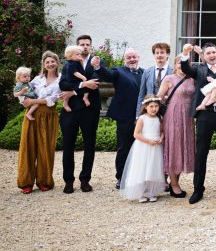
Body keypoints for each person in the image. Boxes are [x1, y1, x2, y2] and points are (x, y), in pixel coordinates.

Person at [180, 42, 216, 204]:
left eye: (213, 52)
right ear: (203, 55)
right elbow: (185, 69)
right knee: (201, 152)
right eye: (208, 53)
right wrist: (184, 54)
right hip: (204, 116)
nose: (211, 55)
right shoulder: (199, 70)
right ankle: (198, 189)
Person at [92, 49, 144, 189]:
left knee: (142, 148)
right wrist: (98, 67)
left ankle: (139, 176)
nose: (132, 59)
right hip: (125, 116)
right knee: (124, 148)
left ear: (138, 57)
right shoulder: (118, 71)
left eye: (134, 56)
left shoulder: (145, 73)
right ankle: (121, 177)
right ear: (124, 59)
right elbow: (107, 75)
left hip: (143, 117)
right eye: (128, 57)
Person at [59, 34, 101, 194]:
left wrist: (73, 89)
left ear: (91, 46)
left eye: (87, 44)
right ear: (77, 47)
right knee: (68, 145)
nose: (84, 47)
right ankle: (68, 181)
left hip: (90, 111)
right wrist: (82, 85)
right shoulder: (69, 64)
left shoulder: (96, 63)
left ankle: (85, 180)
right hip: (70, 111)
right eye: (81, 44)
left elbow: (95, 84)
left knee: (89, 145)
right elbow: (63, 84)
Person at [17, 52, 62, 194]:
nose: (50, 64)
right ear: (44, 64)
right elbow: (25, 92)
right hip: (32, 115)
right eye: (47, 62)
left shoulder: (61, 80)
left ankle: (44, 181)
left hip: (49, 116)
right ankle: (26, 182)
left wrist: (33, 101)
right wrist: (24, 101)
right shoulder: (36, 79)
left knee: (46, 149)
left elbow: (53, 99)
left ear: (57, 63)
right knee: (28, 147)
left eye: (52, 61)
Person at [156, 54, 195, 198]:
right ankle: (173, 184)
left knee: (183, 148)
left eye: (184, 63)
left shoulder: (192, 79)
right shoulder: (169, 79)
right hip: (173, 116)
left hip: (188, 118)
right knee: (174, 148)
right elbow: (158, 98)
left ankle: (175, 181)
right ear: (175, 64)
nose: (181, 66)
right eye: (179, 63)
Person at [120, 95, 165, 202]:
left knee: (153, 168)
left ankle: (151, 192)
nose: (154, 109)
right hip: (143, 147)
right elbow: (136, 134)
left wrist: (161, 138)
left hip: (156, 147)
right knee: (142, 169)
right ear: (145, 106)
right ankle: (141, 193)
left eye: (156, 106)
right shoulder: (142, 118)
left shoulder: (159, 118)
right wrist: (148, 141)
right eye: (151, 106)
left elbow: (162, 131)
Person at [135, 42, 171, 118]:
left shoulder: (173, 72)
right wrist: (138, 115)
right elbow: (141, 95)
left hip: (168, 112)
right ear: (154, 55)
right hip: (150, 112)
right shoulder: (146, 72)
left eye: (162, 52)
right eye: (157, 53)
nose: (159, 55)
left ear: (167, 54)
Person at [61, 45, 91, 113]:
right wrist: (82, 77)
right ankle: (65, 104)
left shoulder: (77, 61)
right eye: (77, 54)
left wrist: (81, 61)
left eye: (80, 54)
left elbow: (82, 69)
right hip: (72, 81)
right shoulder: (70, 64)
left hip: (77, 80)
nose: (79, 55)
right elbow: (75, 73)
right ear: (70, 56)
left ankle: (85, 97)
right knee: (67, 95)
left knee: (87, 86)